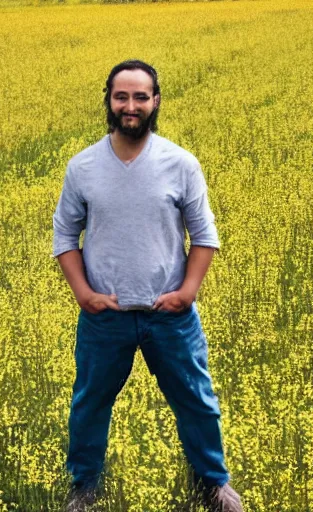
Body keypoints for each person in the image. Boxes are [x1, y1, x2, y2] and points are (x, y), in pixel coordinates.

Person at [52, 59, 243, 512]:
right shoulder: (83, 167)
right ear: (109, 100)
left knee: (197, 402)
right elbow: (65, 236)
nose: (131, 106)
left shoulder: (180, 163)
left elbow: (205, 235)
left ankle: (213, 483)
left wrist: (188, 292)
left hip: (169, 316)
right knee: (90, 404)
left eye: (141, 97)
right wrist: (85, 294)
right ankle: (83, 487)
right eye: (122, 96)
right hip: (106, 317)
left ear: (155, 101)